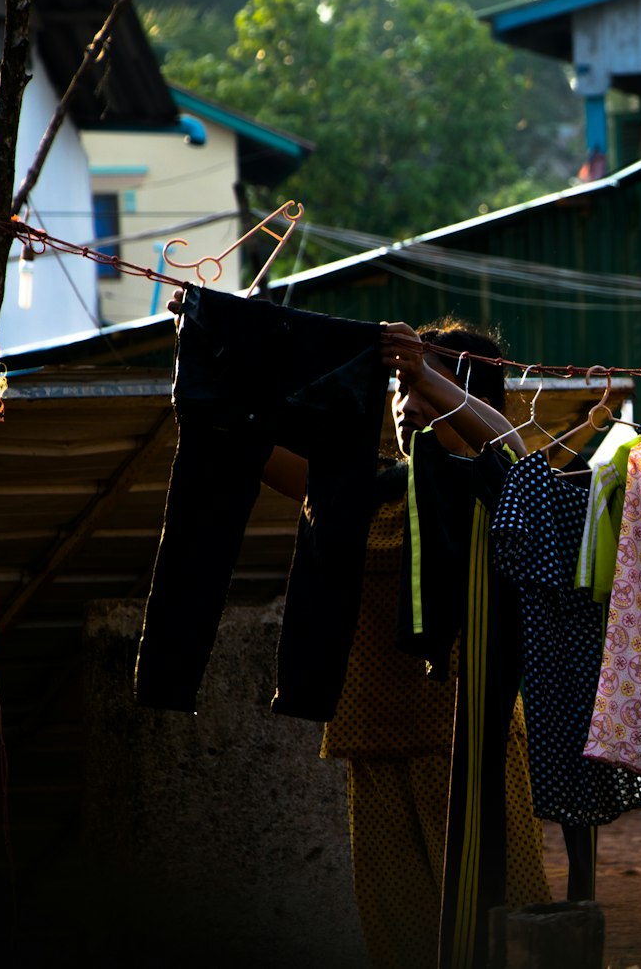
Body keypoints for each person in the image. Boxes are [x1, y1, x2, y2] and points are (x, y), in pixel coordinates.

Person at [170, 288, 550, 968]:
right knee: (398, 934)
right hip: (368, 737)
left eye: (420, 389)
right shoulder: (363, 490)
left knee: (499, 924)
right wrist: (215, 339)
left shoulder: (492, 490)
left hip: (464, 743)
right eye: (400, 388)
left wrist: (425, 372)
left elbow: (512, 448)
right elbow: (244, 441)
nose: (404, 402)